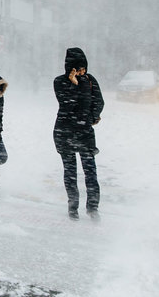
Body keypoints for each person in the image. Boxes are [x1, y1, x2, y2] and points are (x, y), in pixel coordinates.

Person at [53, 48, 104, 220]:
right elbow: (67, 104)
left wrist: (90, 118)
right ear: (70, 68)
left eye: (84, 68)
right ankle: (73, 207)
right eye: (78, 69)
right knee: (70, 172)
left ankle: (93, 207)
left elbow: (99, 102)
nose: (82, 72)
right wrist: (74, 84)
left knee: (90, 172)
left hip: (85, 133)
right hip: (64, 132)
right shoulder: (59, 81)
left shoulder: (90, 81)